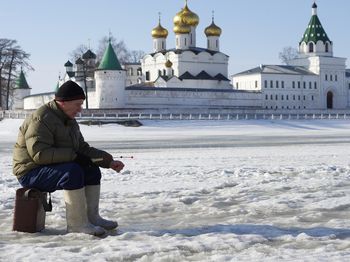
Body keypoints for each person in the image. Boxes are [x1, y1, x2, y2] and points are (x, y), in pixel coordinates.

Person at [13, 80, 124, 236]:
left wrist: (108, 161)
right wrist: (74, 157)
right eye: (77, 104)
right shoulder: (41, 118)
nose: (80, 109)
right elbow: (39, 154)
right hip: (30, 172)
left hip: (49, 167)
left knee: (91, 169)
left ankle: (91, 218)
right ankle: (77, 224)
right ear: (63, 103)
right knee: (72, 172)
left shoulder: (68, 120)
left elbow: (82, 148)